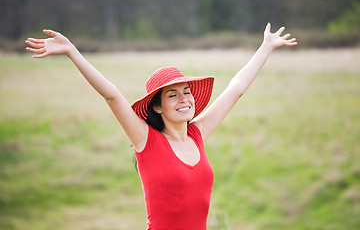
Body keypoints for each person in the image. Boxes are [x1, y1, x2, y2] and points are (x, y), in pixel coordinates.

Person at [25, 23, 297, 229]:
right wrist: (72, 52)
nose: (184, 99)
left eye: (187, 91)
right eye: (172, 94)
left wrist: (265, 47)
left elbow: (235, 89)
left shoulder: (197, 134)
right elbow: (112, 95)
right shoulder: (146, 140)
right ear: (157, 106)